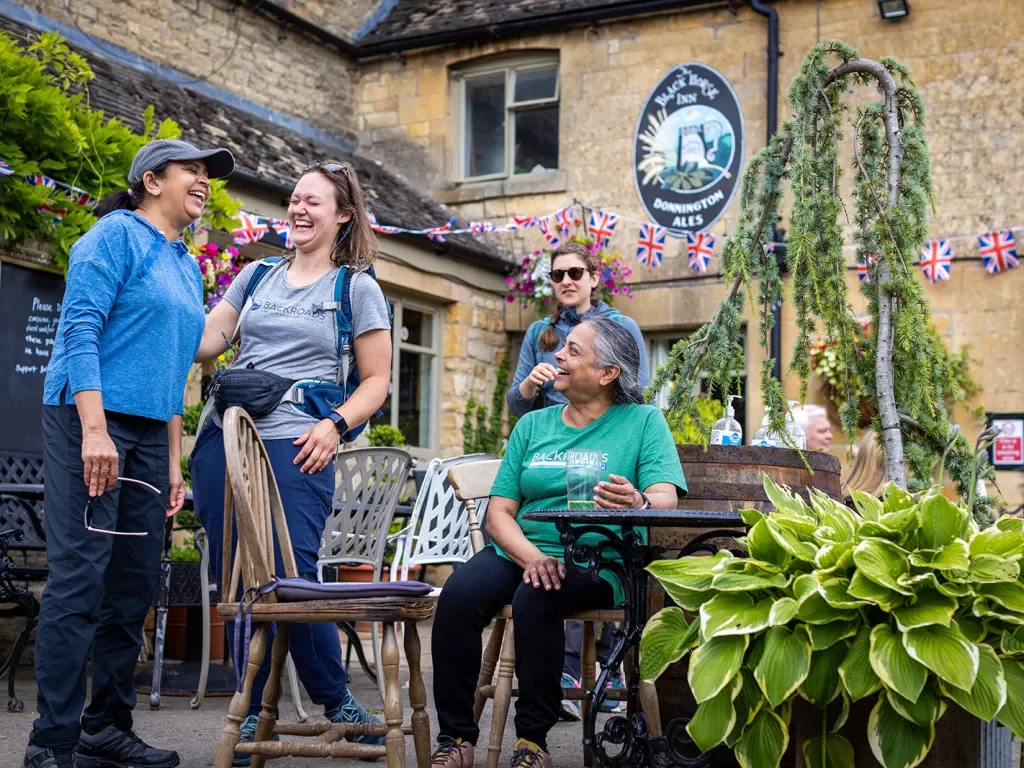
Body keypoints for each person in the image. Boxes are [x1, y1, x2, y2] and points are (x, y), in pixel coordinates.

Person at [26, 140, 235, 768]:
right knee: (80, 579)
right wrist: (94, 431)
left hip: (149, 433)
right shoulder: (111, 238)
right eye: (191, 171)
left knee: (134, 584)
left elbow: (175, 370)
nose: (203, 182)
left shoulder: (183, 263)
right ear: (151, 180)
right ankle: (51, 743)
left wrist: (173, 461)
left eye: (206, 175)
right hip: (90, 419)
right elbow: (79, 331)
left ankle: (105, 728)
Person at [190, 161, 392, 764]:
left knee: (292, 577)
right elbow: (205, 342)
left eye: (314, 202)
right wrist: (170, 286)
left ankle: (335, 701)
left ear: (343, 215)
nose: (298, 209)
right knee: (236, 575)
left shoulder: (354, 288)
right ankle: (250, 704)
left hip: (300, 441)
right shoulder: (254, 278)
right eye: (294, 199)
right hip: (224, 440)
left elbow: (376, 380)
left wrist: (335, 426)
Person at [432, 316, 686, 768]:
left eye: (572, 351)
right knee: (458, 595)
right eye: (561, 348)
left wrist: (638, 500)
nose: (557, 357)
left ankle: (533, 740)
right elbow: (499, 514)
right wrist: (531, 558)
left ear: (608, 373)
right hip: (524, 549)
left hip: (601, 557)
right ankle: (455, 738)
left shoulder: (644, 422)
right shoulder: (534, 426)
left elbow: (665, 496)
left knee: (536, 597)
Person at [506, 241, 650, 720]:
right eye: (556, 275)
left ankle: (602, 672)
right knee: (558, 549)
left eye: (574, 272)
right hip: (550, 444)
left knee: (601, 541)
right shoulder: (539, 333)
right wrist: (533, 385)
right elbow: (517, 401)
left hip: (602, 444)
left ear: (593, 277)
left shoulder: (619, 327)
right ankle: (567, 673)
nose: (565, 281)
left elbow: (636, 393)